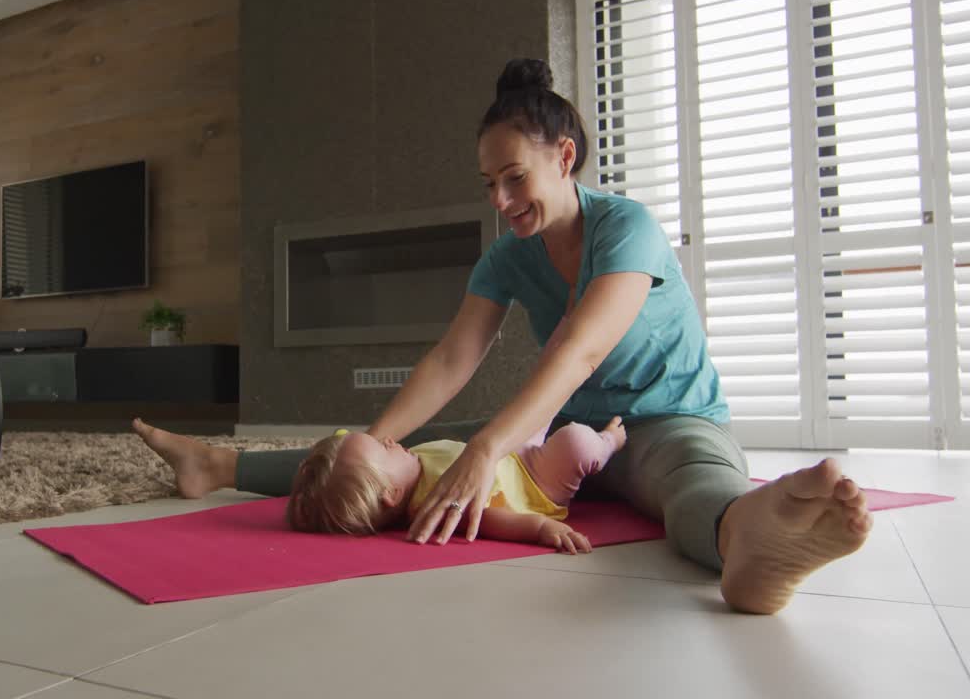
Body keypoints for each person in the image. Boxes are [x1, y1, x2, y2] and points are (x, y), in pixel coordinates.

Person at [133, 57, 872, 615]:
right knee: (394, 452)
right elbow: (454, 356)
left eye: (514, 179)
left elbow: (581, 349)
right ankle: (217, 465)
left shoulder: (628, 228)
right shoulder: (510, 254)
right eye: (489, 184)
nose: (502, 200)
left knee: (686, 479)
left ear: (564, 157)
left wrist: (488, 450)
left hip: (667, 421)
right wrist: (380, 446)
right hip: (569, 429)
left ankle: (747, 536)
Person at [285, 418, 626, 554]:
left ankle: (568, 328)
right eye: (383, 448)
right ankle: (610, 441)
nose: (390, 439)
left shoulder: (412, 463)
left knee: (532, 402)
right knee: (576, 442)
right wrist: (542, 527)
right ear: (391, 494)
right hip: (533, 481)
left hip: (508, 452)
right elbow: (492, 519)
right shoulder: (434, 504)